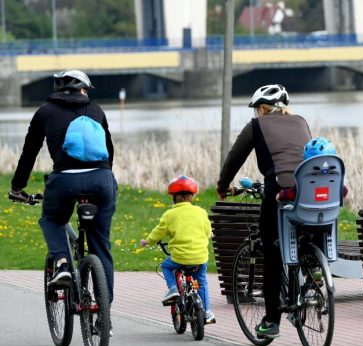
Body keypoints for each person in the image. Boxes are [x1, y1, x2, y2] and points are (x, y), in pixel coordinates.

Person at [9, 70, 117, 303]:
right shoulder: (96, 110)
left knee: (52, 220)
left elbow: (29, 153)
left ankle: (62, 264)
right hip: (102, 178)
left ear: (58, 90)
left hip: (65, 179)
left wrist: (17, 188)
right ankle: (104, 309)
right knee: (100, 243)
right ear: (82, 89)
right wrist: (105, 178)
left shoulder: (44, 113)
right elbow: (109, 150)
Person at [217, 84, 311, 339]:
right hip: (308, 192)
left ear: (261, 108)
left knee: (272, 250)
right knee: (303, 234)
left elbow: (235, 157)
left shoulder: (256, 125)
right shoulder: (301, 121)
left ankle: (271, 321)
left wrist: (223, 185)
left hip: (278, 191)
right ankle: (313, 273)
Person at [139, 176, 215, 324]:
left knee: (166, 266)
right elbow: (208, 232)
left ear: (174, 197)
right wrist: (210, 235)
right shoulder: (201, 212)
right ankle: (207, 312)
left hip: (179, 257)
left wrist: (148, 241)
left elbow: (158, 232)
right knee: (202, 282)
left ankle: (173, 288)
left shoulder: (169, 215)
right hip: (200, 258)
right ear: (192, 196)